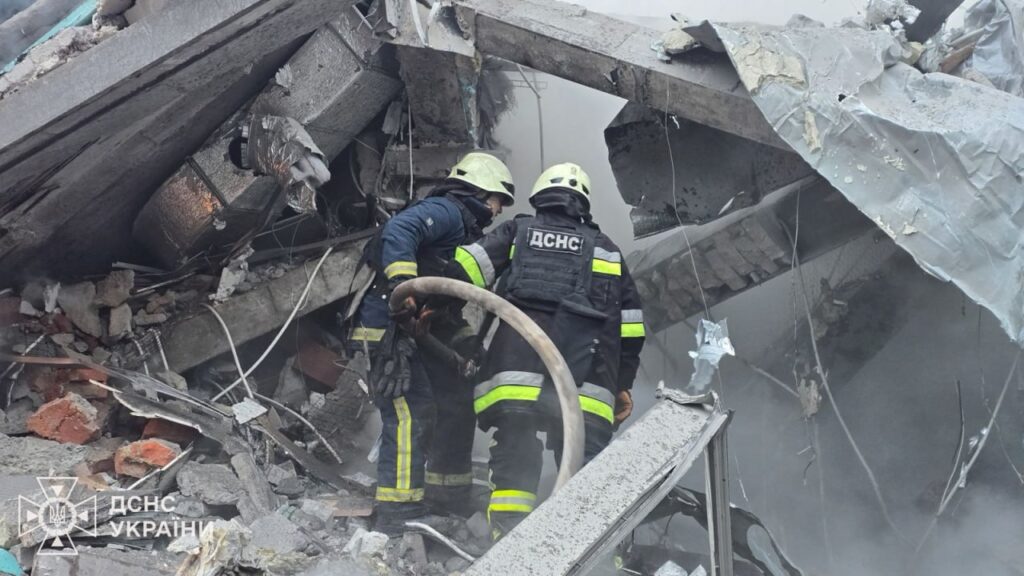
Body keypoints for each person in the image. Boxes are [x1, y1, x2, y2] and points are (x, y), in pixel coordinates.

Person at [446, 162, 646, 538]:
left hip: (516, 380)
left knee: (516, 455)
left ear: (539, 197)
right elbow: (632, 328)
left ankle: (510, 544)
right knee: (586, 473)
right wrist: (622, 384)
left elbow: (460, 274)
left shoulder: (518, 232)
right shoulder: (607, 250)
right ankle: (590, 553)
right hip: (587, 388)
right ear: (583, 204)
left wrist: (422, 302)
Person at [348, 152, 515, 533]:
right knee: (411, 411)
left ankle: (446, 494)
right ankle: (399, 512)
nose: (498, 210)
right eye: (498, 199)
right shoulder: (446, 211)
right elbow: (399, 231)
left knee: (455, 400)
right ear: (479, 189)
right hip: (387, 329)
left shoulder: (462, 230)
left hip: (416, 331)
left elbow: (442, 305)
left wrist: (467, 346)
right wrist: (403, 286)